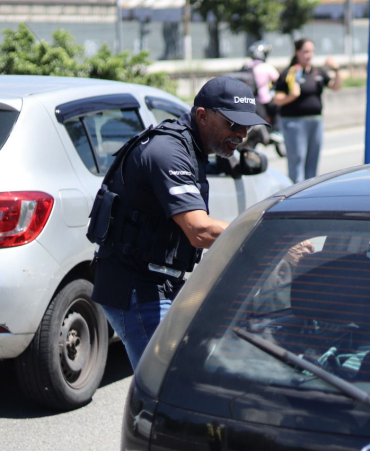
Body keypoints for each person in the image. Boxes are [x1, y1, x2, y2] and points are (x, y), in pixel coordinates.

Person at [88, 76, 270, 371]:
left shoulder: (193, 148)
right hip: (136, 288)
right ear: (203, 116)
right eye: (234, 124)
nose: (242, 134)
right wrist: (269, 235)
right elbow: (199, 229)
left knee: (186, 372)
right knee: (166, 380)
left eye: (247, 126)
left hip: (162, 282)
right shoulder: (168, 151)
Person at [273, 38, 343, 183]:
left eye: (311, 51)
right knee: (297, 160)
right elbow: (277, 99)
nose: (309, 55)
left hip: (316, 121)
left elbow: (335, 87)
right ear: (297, 52)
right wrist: (291, 96)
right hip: (295, 122)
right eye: (305, 52)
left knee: (313, 161)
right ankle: (295, 192)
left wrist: (337, 70)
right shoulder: (290, 72)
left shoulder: (318, 72)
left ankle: (309, 192)